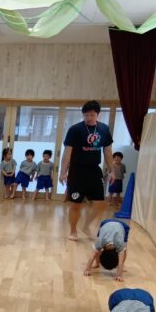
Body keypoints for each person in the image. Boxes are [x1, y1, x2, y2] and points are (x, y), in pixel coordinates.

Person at [60, 100, 114, 241]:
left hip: (94, 170)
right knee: (76, 204)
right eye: (86, 115)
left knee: (100, 204)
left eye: (92, 115)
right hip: (77, 171)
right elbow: (67, 152)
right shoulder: (75, 130)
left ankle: (86, 225)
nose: (89, 118)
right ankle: (73, 231)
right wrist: (63, 172)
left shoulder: (104, 129)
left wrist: (112, 170)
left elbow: (108, 151)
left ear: (98, 115)